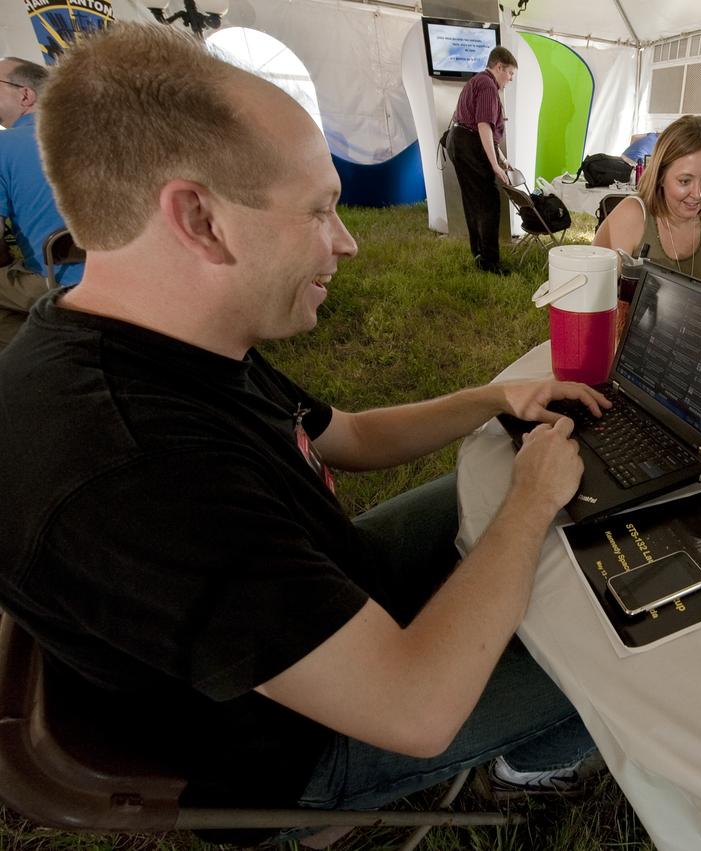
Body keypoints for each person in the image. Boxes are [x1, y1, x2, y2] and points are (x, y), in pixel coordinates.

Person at [0, 24, 607, 815]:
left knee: (541, 504)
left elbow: (344, 434)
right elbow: (414, 708)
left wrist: (495, 401)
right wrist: (526, 506)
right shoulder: (136, 473)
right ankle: (530, 770)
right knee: (628, 663)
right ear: (202, 219)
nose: (348, 242)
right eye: (321, 210)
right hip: (304, 743)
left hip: (330, 591)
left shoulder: (157, 324)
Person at [0, 56, 83, 350]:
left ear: (25, 94)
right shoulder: (98, 137)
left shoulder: (3, 147)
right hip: (130, 272)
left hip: (56, 283)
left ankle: (35, 360)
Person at [593, 114, 701, 284]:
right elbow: (606, 300)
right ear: (660, 176)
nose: (697, 194)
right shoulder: (633, 215)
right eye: (685, 181)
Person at [446, 46, 517, 276]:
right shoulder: (488, 85)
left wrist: (502, 158)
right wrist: (495, 166)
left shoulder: (478, 81)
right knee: (488, 201)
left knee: (473, 201)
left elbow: (486, 129)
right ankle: (490, 262)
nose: (510, 79)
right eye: (510, 73)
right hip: (468, 143)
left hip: (459, 141)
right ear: (499, 67)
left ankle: (478, 254)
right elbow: (484, 125)